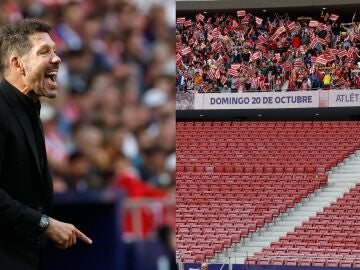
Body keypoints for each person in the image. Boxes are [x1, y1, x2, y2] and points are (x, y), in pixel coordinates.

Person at [0, 19, 92, 270]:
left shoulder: (30, 110)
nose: (57, 58)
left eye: (54, 50)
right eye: (44, 51)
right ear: (17, 63)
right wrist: (44, 224)